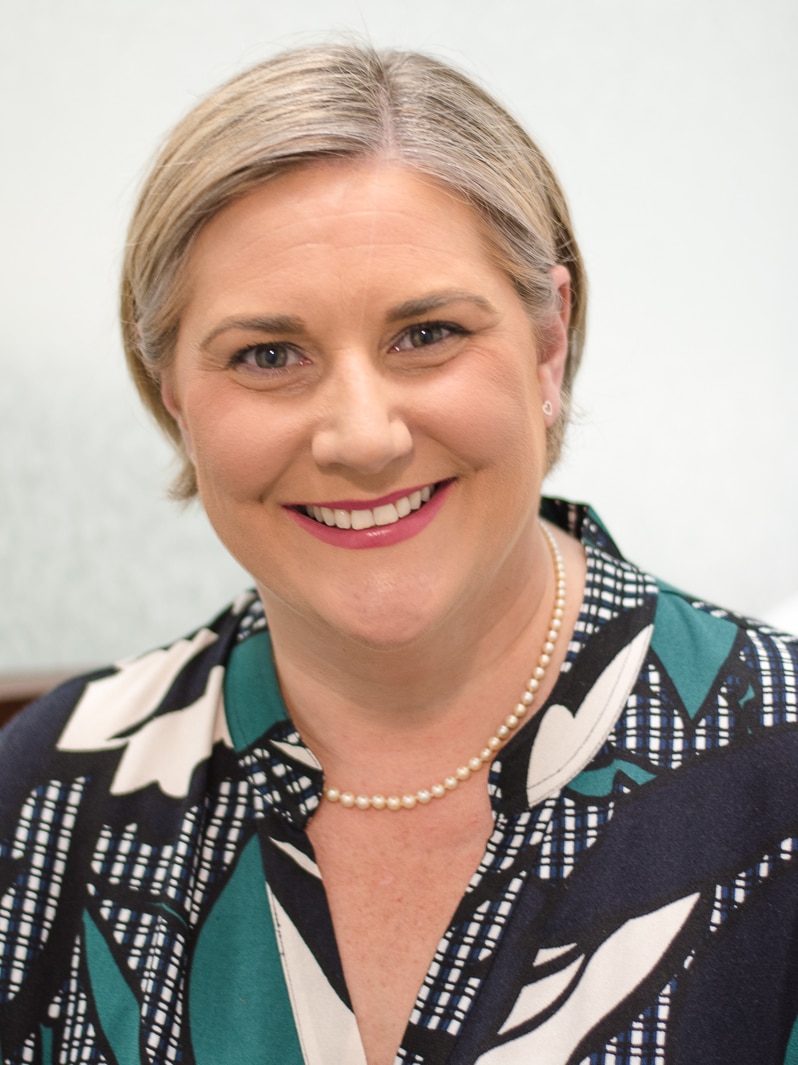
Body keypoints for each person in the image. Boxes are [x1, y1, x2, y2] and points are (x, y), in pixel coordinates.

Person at [1, 42, 797, 1065]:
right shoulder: (46, 800)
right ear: (175, 400)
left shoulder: (778, 763)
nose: (362, 436)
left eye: (425, 334)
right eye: (268, 356)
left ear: (549, 343)